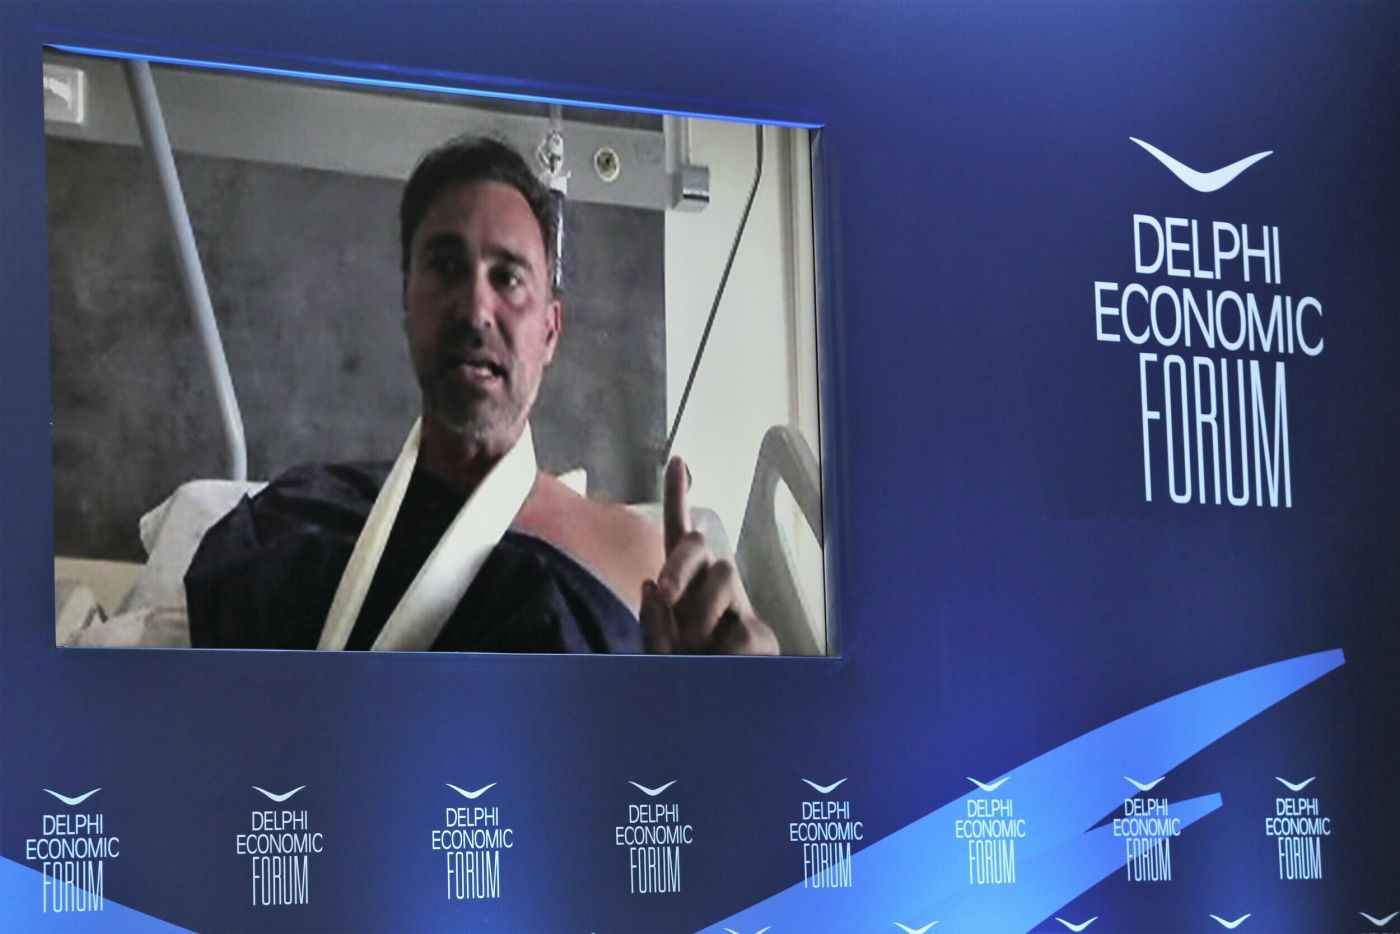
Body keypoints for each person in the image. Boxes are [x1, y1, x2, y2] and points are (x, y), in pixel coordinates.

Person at [186, 136, 778, 656]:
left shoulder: (645, 566)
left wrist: (738, 702)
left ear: (550, 331)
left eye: (509, 277)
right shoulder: (296, 521)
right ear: (408, 303)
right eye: (446, 267)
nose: (474, 310)